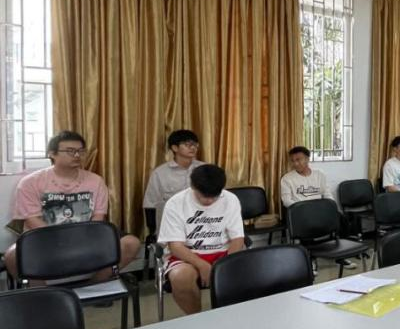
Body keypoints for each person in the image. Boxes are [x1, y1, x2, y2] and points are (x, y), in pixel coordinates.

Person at [5, 131, 141, 281]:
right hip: (44, 237)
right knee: (12, 256)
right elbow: (32, 220)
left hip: (86, 235)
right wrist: (62, 240)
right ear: (52, 154)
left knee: (131, 243)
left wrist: (80, 239)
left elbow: (98, 217)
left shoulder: (96, 181)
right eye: (70, 151)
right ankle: (40, 292)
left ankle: (95, 284)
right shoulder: (31, 182)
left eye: (80, 151)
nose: (77, 155)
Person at [157, 164, 245, 315]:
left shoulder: (231, 200)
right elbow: (175, 246)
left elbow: (237, 239)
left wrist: (223, 265)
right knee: (181, 277)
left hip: (224, 253)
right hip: (187, 255)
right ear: (193, 186)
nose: (209, 201)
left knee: (249, 271)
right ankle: (197, 318)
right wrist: (202, 265)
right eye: (204, 196)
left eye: (214, 196)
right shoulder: (176, 203)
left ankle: (229, 316)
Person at [143, 129, 205, 217]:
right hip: (172, 218)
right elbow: (150, 204)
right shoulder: (160, 173)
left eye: (195, 144)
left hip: (202, 218)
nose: (193, 148)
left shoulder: (205, 169)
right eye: (187, 144)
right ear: (175, 148)